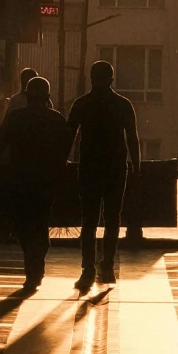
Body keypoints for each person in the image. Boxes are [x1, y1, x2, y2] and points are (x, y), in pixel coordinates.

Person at [0, 77, 74, 292]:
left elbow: (0, 142)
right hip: (45, 180)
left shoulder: (16, 118)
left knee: (23, 224)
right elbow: (66, 149)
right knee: (40, 220)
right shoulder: (56, 119)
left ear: (26, 96)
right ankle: (38, 263)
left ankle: (31, 268)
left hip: (20, 179)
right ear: (47, 97)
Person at [66, 59, 140, 289]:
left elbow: (68, 135)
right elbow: (132, 138)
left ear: (91, 77)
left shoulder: (81, 104)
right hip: (116, 167)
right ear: (111, 79)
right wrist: (136, 165)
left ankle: (87, 269)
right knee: (112, 218)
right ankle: (107, 265)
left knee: (88, 220)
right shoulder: (123, 104)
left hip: (89, 167)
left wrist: (61, 161)